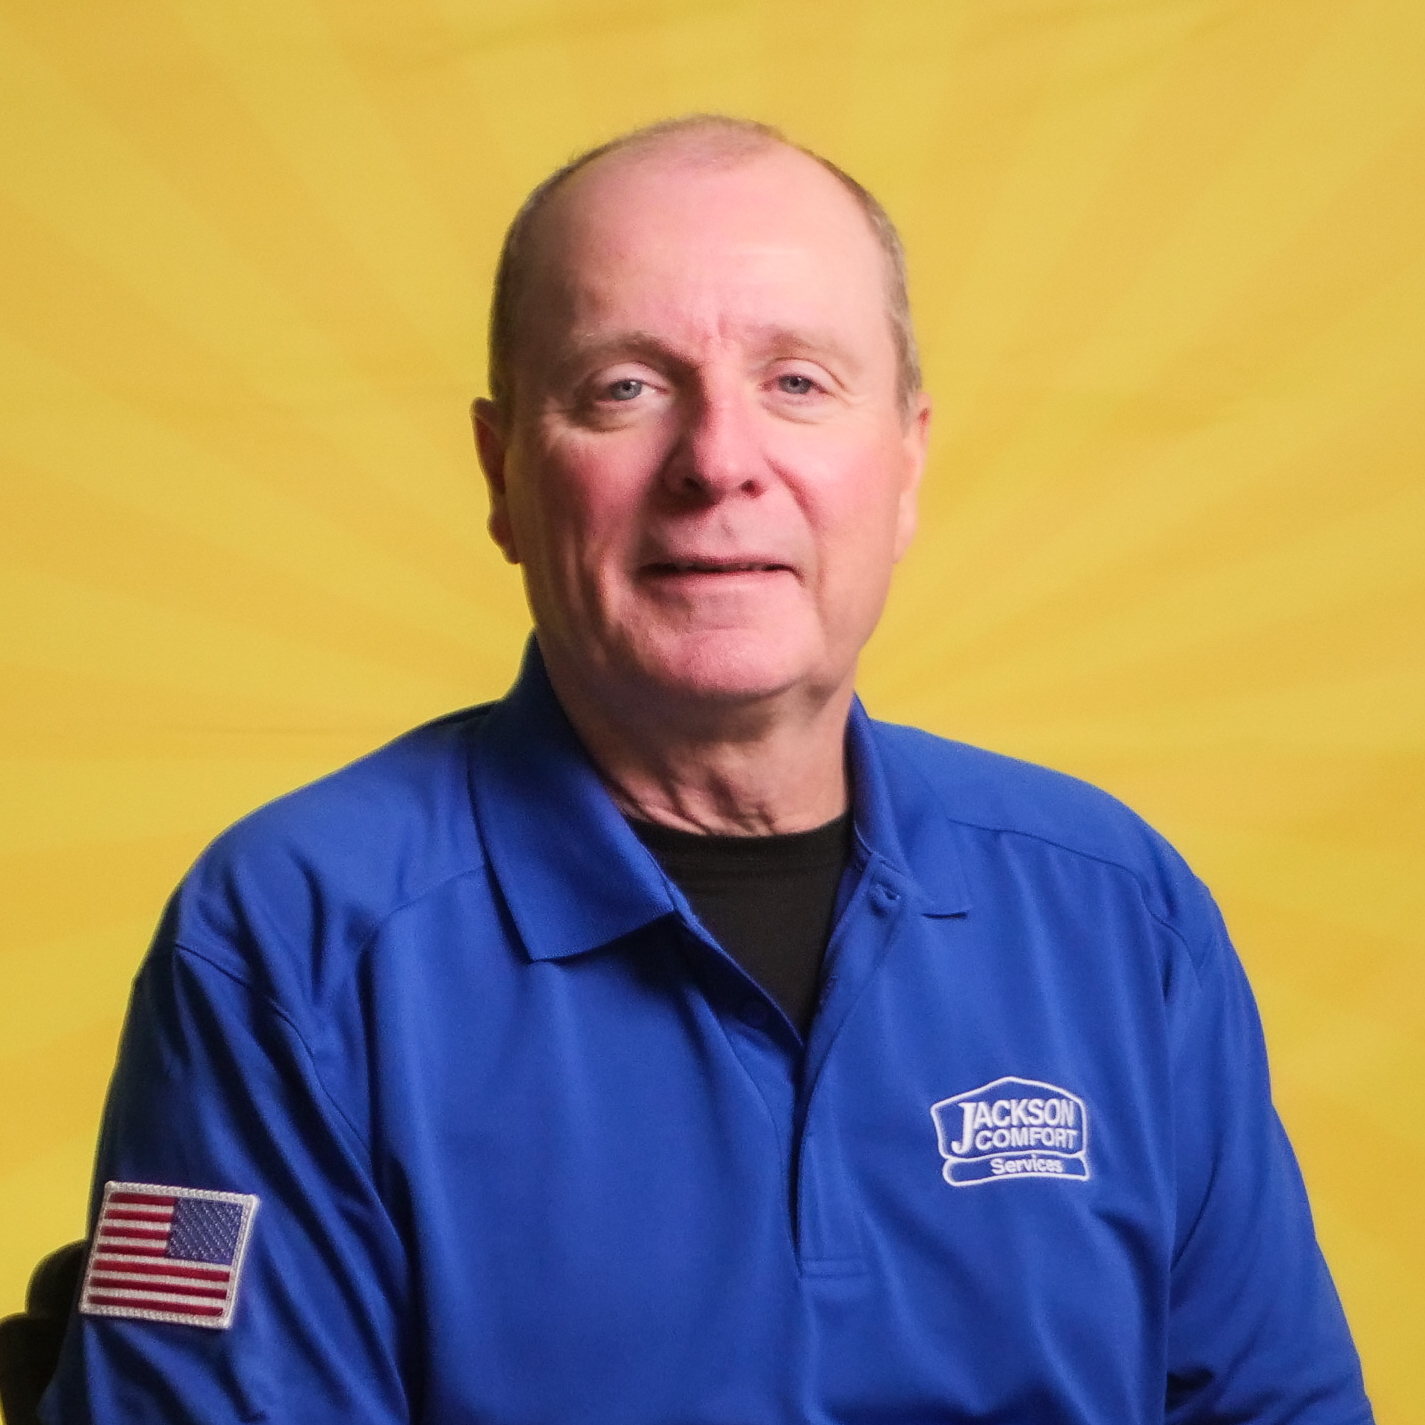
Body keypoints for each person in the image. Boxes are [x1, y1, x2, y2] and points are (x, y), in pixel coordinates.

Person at [43, 116, 1371, 1423]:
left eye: (797, 381)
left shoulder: (1112, 906)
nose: (719, 461)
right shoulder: (291, 936)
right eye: (623, 386)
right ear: (504, 473)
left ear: (904, 463)